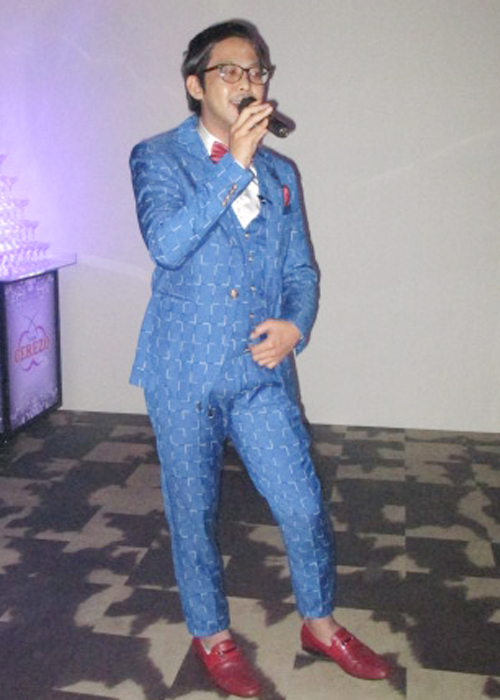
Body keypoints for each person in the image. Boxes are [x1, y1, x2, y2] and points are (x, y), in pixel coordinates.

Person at [129, 19, 391, 697]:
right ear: (196, 85)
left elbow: (302, 270)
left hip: (261, 373)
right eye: (232, 71)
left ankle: (319, 622)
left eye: (256, 71)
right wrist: (234, 166)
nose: (248, 82)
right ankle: (212, 635)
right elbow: (167, 244)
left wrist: (296, 325)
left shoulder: (282, 173)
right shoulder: (156, 157)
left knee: (302, 503)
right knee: (193, 514)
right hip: (183, 372)